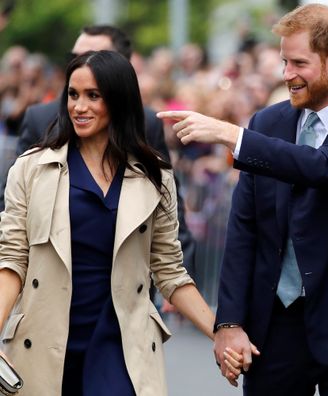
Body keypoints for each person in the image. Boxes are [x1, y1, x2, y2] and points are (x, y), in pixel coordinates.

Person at [158, 3, 328, 395]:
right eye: (284, 62)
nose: (287, 75)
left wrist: (230, 136)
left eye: (298, 63)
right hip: (275, 326)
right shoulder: (268, 124)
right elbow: (243, 229)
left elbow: (322, 167)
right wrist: (229, 322)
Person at [0, 50, 232, 396]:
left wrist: (222, 333)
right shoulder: (32, 169)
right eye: (73, 95)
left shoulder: (154, 175)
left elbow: (170, 271)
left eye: (93, 96)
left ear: (119, 99)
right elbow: (12, 261)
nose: (79, 107)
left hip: (121, 344)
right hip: (44, 341)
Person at [0, 25, 196, 279]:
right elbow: (13, 205)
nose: (80, 107)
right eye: (76, 58)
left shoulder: (147, 124)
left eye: (96, 56)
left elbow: (166, 205)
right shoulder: (39, 121)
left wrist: (181, 274)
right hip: (51, 286)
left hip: (128, 292)